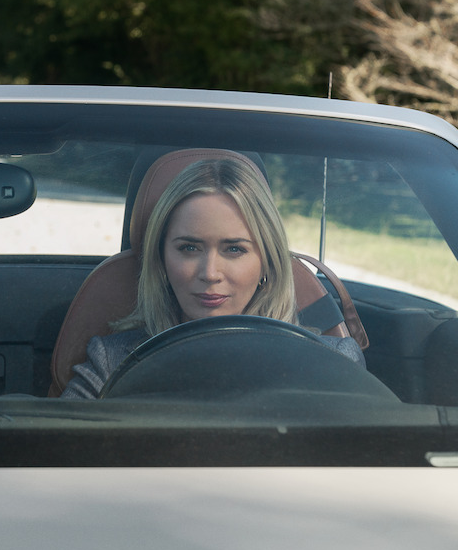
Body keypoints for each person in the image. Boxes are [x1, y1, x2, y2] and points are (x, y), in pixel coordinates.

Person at [62, 154, 363, 399]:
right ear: (161, 260)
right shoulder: (112, 362)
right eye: (189, 248)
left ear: (267, 262)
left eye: (234, 249)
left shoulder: (333, 363)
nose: (209, 273)